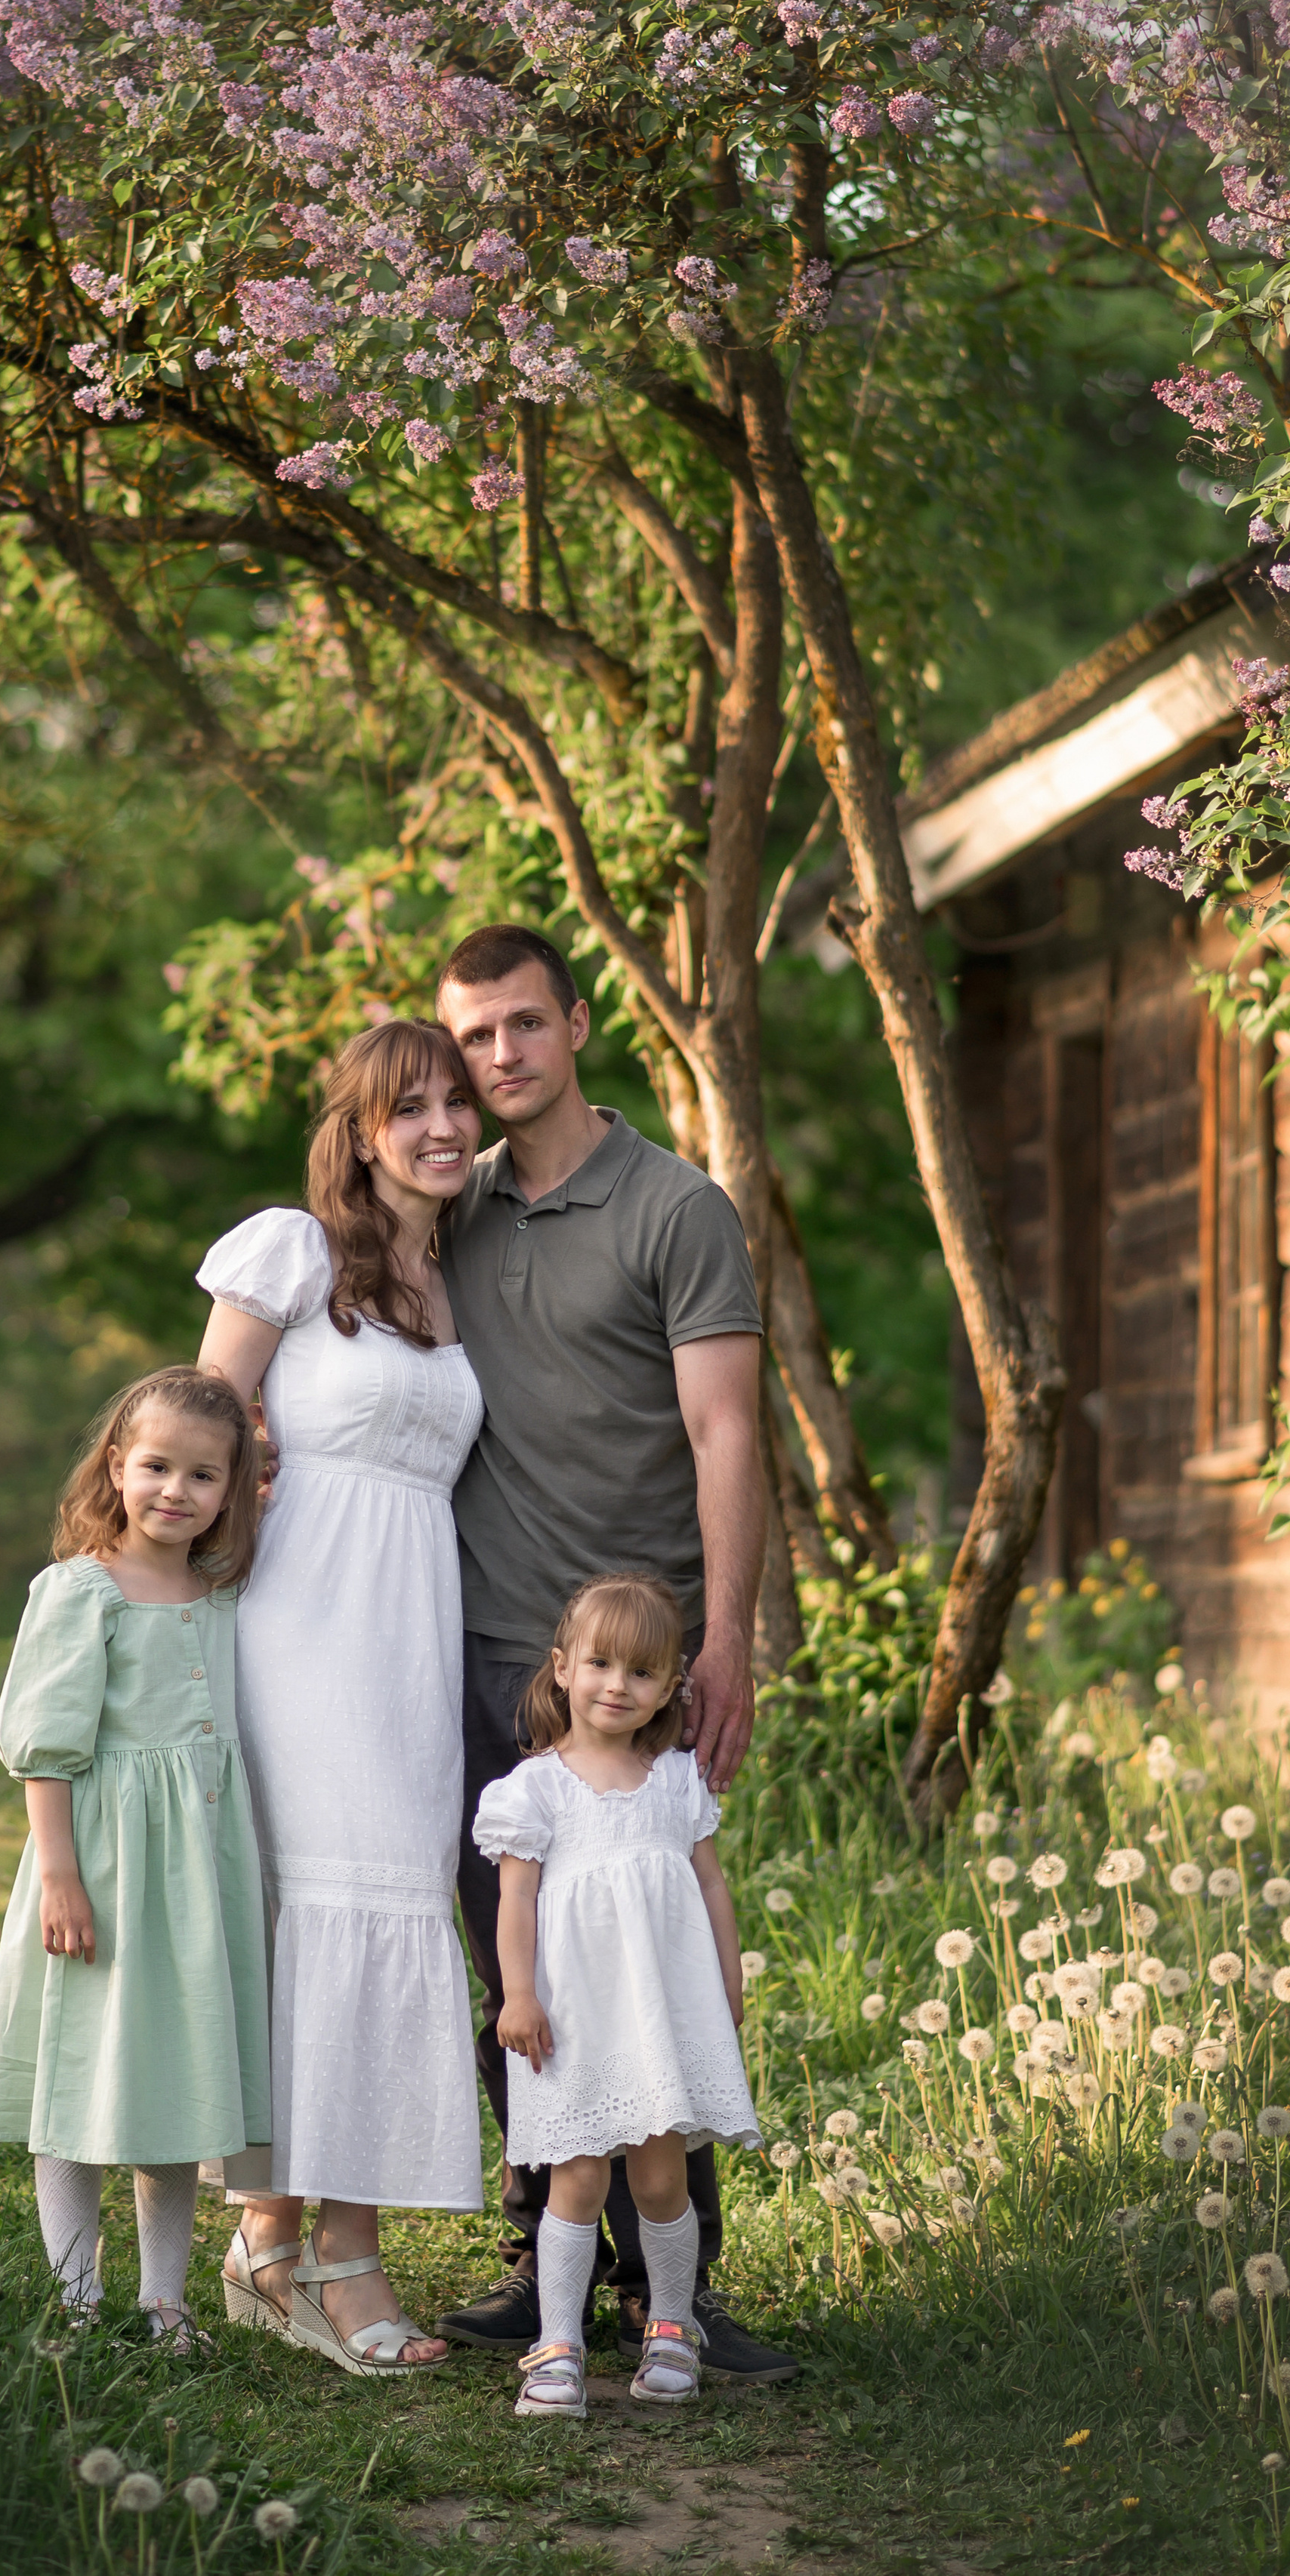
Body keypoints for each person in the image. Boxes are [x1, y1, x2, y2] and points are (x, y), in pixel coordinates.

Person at [434, 922, 798, 2383]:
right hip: (479, 1647)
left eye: (524, 1023)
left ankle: (679, 2291)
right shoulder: (443, 1211)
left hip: (633, 1664)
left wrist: (729, 1641)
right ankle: (546, 2270)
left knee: (644, 1959)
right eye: (472, 1036)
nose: (501, 1055)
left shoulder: (674, 1207)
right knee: (512, 1962)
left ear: (577, 1024)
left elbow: (727, 1431)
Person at [194, 1018, 486, 2373]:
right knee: (305, 1901)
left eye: (456, 1103)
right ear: (361, 1131)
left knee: (393, 1898)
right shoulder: (296, 1251)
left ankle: (339, 2243)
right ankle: (278, 2243)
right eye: (408, 1106)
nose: (440, 1126)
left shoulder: (463, 1272)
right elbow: (197, 1419)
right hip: (298, 1617)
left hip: (412, 1621)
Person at [0, 1364, 272, 2349]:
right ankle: (74, 2294)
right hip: (100, 1867)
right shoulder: (79, 1590)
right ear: (115, 1465)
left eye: (204, 1475)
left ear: (234, 1489)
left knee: (174, 2076)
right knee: (81, 2073)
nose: (176, 1490)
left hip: (192, 1879)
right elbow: (44, 1744)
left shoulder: (223, 1595)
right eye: (155, 1465)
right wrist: (59, 1872)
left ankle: (164, 2299)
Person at [474, 1573, 758, 2418]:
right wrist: (516, 1995)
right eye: (598, 1663)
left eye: (640, 1672)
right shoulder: (534, 1790)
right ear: (561, 1668)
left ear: (669, 1686)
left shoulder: (675, 1782)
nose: (616, 1685)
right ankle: (557, 2346)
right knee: (580, 2177)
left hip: (660, 2018)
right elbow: (514, 1901)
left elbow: (709, 1888)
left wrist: (728, 1975)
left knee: (664, 2178)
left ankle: (669, 2327)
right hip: (572, 2021)